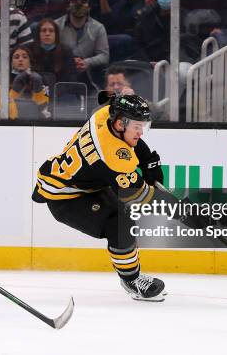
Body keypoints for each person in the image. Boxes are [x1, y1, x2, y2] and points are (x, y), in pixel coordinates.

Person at [32, 94, 166, 301]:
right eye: (138, 127)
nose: (141, 132)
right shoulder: (113, 157)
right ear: (121, 123)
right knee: (120, 223)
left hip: (85, 184)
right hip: (66, 198)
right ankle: (131, 280)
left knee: (122, 216)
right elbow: (144, 198)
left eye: (143, 126)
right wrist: (185, 213)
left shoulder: (104, 115)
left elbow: (131, 142)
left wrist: (146, 159)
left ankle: (131, 274)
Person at [55, 0, 109, 89]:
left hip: (88, 76)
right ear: (68, 4)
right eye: (74, 1)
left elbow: (104, 56)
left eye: (83, 1)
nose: (78, 4)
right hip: (61, 74)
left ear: (89, 6)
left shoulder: (98, 27)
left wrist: (86, 62)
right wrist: (68, 61)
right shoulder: (56, 25)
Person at [29, 18, 77, 84]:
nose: (47, 34)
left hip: (59, 91)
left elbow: (70, 79)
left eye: (51, 31)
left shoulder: (66, 51)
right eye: (43, 30)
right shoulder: (28, 49)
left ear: (56, 34)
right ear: (38, 34)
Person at [9, 46, 49, 117]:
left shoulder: (40, 79)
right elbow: (5, 107)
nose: (20, 59)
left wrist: (37, 85)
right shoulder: (5, 79)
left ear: (30, 61)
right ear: (11, 63)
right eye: (16, 57)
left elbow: (45, 110)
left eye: (24, 57)